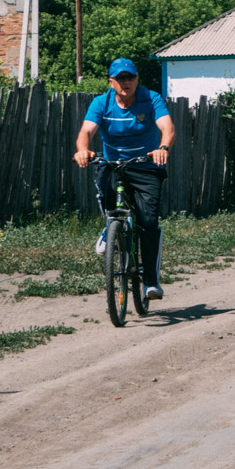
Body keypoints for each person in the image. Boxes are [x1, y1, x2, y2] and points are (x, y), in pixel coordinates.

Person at [74, 58, 175, 302]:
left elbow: (167, 128)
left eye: (130, 78)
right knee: (105, 192)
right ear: (112, 82)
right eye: (120, 79)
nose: (126, 83)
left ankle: (151, 281)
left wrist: (163, 148)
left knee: (148, 222)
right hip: (113, 164)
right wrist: (83, 150)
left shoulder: (151, 99)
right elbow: (86, 132)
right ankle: (110, 228)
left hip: (145, 165)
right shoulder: (102, 102)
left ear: (137, 79)